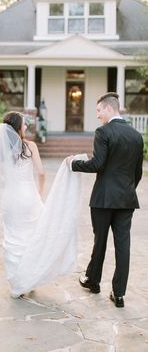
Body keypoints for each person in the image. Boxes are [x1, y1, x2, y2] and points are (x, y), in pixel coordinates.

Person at [0, 111, 87, 298]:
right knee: (31, 236)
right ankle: (28, 279)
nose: (25, 127)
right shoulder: (30, 146)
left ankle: (17, 283)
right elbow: (41, 172)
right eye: (23, 124)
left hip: (10, 199)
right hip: (28, 197)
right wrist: (39, 193)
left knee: (12, 237)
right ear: (17, 127)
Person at [67, 92, 144, 308]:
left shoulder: (103, 132)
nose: (98, 115)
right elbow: (137, 173)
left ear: (109, 108)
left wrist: (73, 164)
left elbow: (97, 164)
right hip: (126, 199)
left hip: (102, 199)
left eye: (99, 111)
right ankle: (119, 294)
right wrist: (127, 191)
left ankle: (93, 281)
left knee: (99, 241)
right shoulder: (137, 136)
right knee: (123, 245)